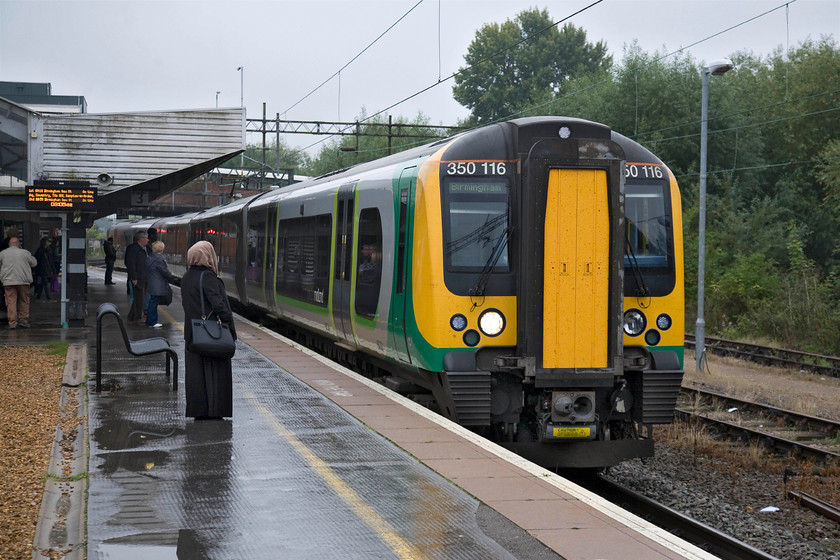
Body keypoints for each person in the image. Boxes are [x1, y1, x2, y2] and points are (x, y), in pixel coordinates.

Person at [181, 241, 236, 419]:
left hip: (193, 334)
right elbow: (219, 305)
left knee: (196, 375)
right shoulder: (208, 277)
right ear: (209, 256)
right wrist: (230, 326)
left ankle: (199, 411)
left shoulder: (187, 277)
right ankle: (214, 411)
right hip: (212, 334)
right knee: (215, 375)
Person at [0, 237, 37, 329]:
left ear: (9, 244)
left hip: (8, 281)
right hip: (23, 281)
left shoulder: (2, 253)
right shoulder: (25, 252)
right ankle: (23, 321)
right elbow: (34, 263)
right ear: (19, 244)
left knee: (11, 302)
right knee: (24, 301)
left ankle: (12, 323)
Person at [145, 240, 173, 328]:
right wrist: (170, 276)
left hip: (152, 283)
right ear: (161, 248)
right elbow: (164, 271)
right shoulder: (159, 259)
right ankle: (152, 321)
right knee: (153, 303)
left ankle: (151, 321)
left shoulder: (151, 256)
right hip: (158, 283)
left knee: (152, 302)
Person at [124, 231, 149, 323]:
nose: (148, 240)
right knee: (139, 298)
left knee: (140, 297)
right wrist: (134, 277)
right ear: (141, 239)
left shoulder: (146, 248)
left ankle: (131, 316)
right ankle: (138, 317)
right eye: (146, 238)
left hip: (145, 276)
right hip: (138, 277)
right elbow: (130, 264)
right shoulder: (133, 249)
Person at [33, 237, 55, 301]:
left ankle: (38, 297)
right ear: (45, 242)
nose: (49, 243)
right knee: (45, 283)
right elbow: (37, 260)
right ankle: (48, 298)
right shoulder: (41, 251)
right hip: (42, 269)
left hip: (46, 269)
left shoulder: (48, 250)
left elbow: (51, 261)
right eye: (48, 241)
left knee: (43, 283)